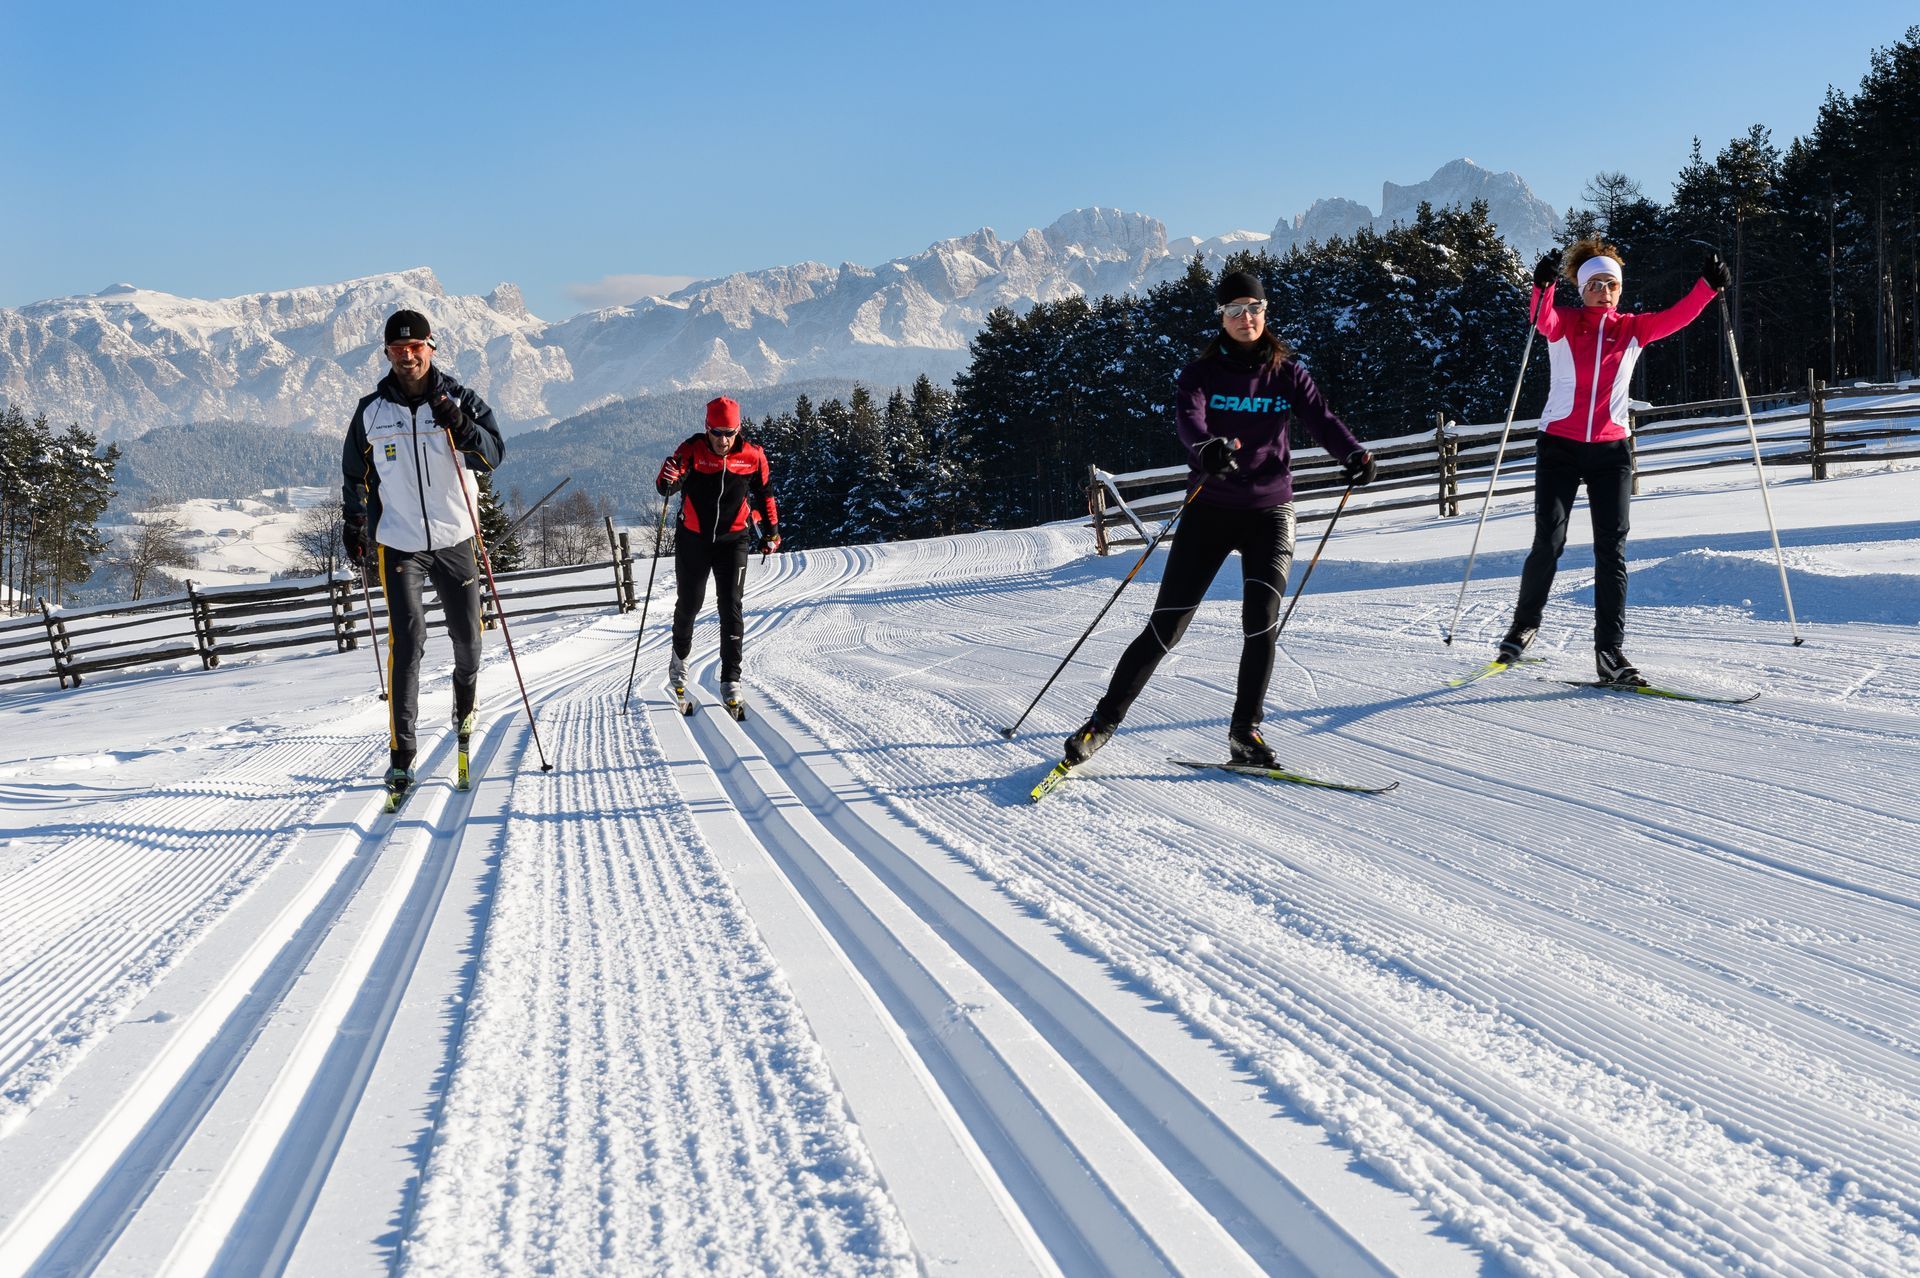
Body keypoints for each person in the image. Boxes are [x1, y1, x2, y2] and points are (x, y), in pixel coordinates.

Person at [1064, 270, 1376, 768]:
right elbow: (1190, 421)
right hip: (1209, 511)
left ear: (1265, 312)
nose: (1246, 318)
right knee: (1165, 628)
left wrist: (1353, 454)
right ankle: (1101, 724)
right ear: (1221, 318)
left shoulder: (1288, 372)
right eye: (1235, 311)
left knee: (1261, 625)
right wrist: (1206, 450)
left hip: (1270, 513)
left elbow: (1321, 419)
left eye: (1253, 308)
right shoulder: (1201, 373)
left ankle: (1244, 734)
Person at [1496, 240, 1729, 685]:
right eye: (1596, 284)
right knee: (1549, 539)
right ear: (1582, 289)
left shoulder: (1634, 328)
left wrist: (1708, 288)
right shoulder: (1563, 323)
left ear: (1621, 290)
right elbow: (1540, 318)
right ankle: (1523, 627)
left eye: (1612, 285)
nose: (1605, 291)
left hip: (1611, 451)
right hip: (1559, 446)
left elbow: (1678, 317)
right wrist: (1541, 286)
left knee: (1612, 551)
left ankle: (1609, 652)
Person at [342, 309, 506, 799]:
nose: (408, 357)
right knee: (407, 642)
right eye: (397, 349)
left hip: (455, 539)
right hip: (400, 544)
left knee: (467, 637)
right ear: (388, 354)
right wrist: (356, 523)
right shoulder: (370, 412)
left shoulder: (461, 399)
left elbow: (491, 456)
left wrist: (458, 424)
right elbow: (356, 477)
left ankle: (465, 702)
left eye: (416, 348)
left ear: (432, 348)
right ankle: (401, 757)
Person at [654, 396, 780, 716]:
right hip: (694, 539)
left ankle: (731, 681)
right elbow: (667, 485)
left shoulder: (753, 457)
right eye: (717, 432)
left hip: (733, 541)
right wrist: (666, 478)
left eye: (730, 432)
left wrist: (772, 533)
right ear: (706, 428)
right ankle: (678, 667)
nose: (723, 440)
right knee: (690, 603)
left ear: (739, 429)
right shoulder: (691, 450)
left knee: (731, 606)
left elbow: (765, 496)